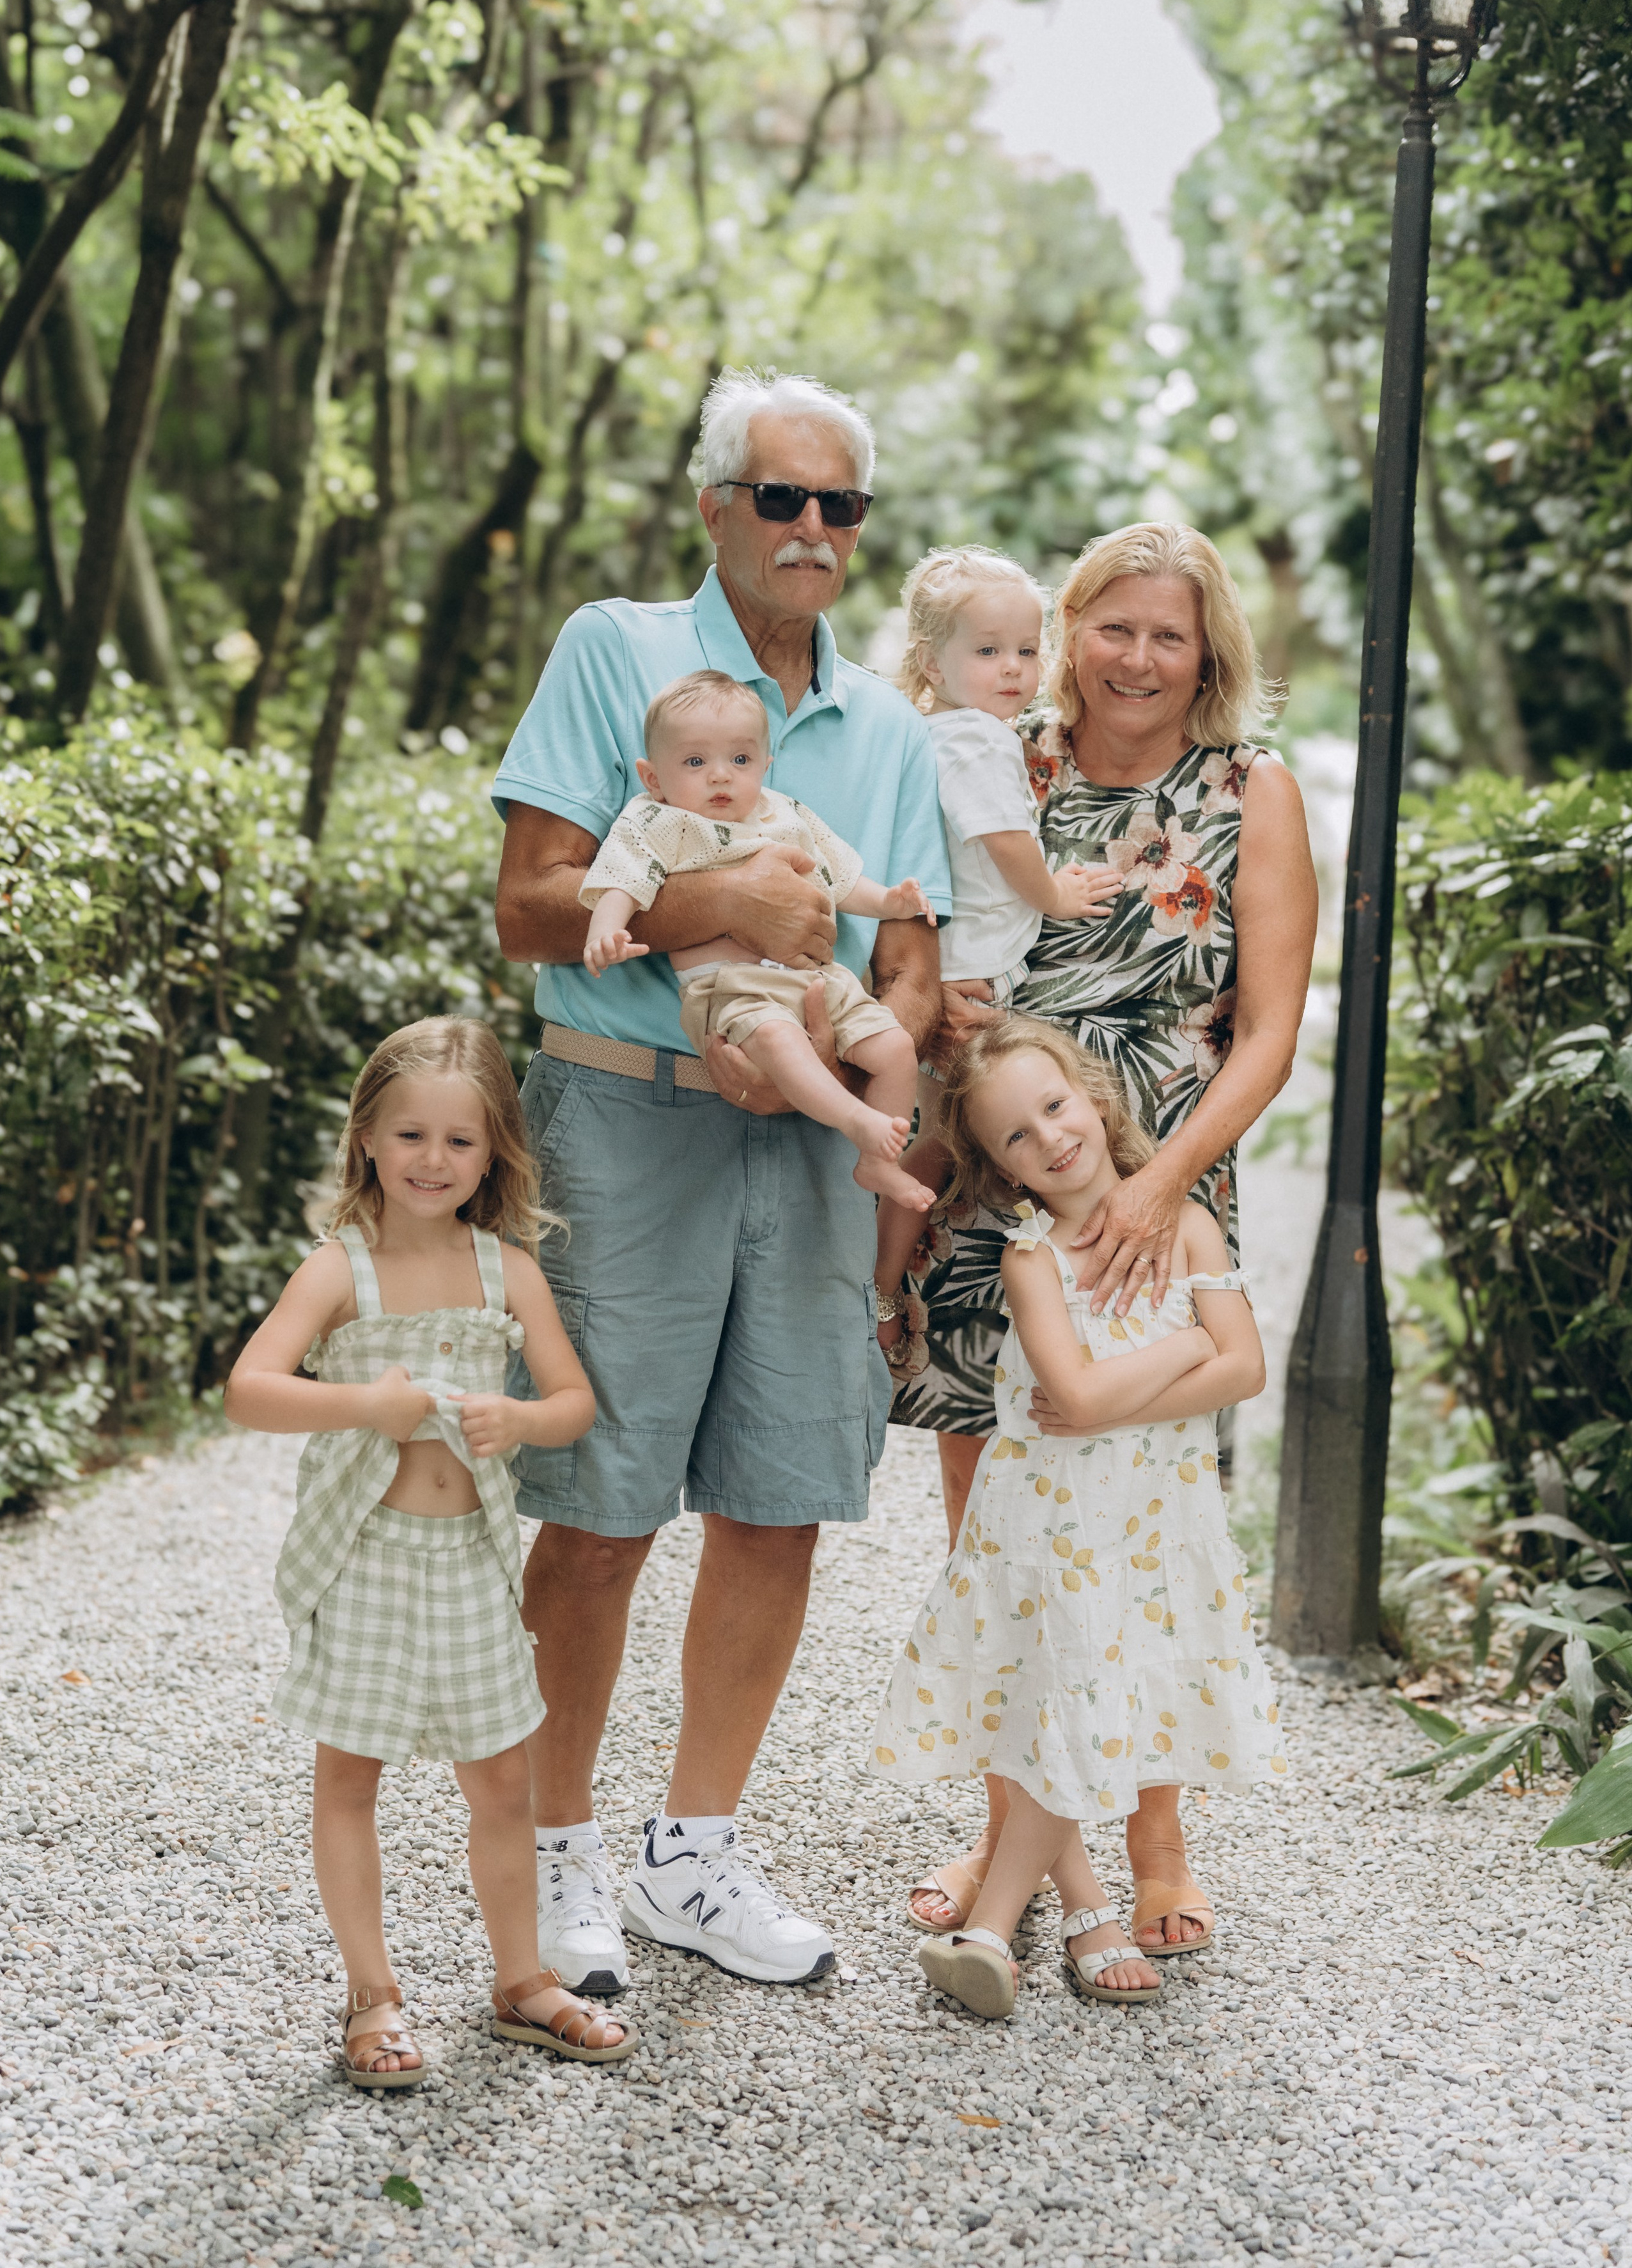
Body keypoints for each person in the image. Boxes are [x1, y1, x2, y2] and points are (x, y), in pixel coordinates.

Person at [491, 367, 951, 1995]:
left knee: (777, 1500)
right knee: (601, 1511)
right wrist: (721, 913)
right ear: (715, 508)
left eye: (841, 506)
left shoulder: (886, 727)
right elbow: (532, 904)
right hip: (627, 1122)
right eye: (781, 497)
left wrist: (851, 1067)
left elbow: (907, 956)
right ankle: (555, 1864)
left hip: (811, 1139)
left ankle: (696, 1850)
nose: (813, 530)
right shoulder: (613, 649)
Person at [881, 520, 1316, 1953]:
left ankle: (1157, 1834)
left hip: (1158, 1189)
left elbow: (1263, 1037)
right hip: (993, 1181)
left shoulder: (1248, 789)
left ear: (1207, 653)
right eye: (1110, 626)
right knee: (1001, 1529)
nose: (1135, 657)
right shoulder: (1001, 759)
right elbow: (912, 938)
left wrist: (1157, 1189)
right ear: (1069, 631)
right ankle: (1012, 1832)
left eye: (1166, 633)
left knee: (1145, 1513)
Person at [225, 1017, 634, 2080]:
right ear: (366, 1136)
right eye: (410, 1135)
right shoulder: (341, 1272)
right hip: (366, 1560)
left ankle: (521, 1980)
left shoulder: (504, 1270)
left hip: (468, 1566)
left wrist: (523, 1425)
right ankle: (374, 1997)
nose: (432, 1161)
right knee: (349, 1778)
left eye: (460, 1142)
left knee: (504, 1785)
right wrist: (368, 1402)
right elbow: (249, 1391)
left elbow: (573, 1401)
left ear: (494, 1152)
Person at [871, 1018, 1283, 2021]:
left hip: (1148, 1530)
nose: (1049, 1139)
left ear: (1094, 1099)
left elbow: (1248, 1369)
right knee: (1055, 1707)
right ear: (1002, 1170)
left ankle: (1046, 1918)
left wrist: (1176, 1362)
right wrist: (1189, 1348)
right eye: (1017, 1136)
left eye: (1055, 1108)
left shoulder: (1188, 1227)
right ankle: (1018, 1924)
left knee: (1072, 1713)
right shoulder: (1032, 1258)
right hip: (1052, 1529)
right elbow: (1084, 1398)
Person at [580, 667, 938, 1212]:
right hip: (732, 989)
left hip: (820, 979)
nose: (721, 777)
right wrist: (607, 928)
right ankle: (855, 1120)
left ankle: (878, 1165)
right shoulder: (660, 821)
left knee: (894, 1049)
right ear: (652, 777)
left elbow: (839, 878)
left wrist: (890, 901)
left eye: (740, 761)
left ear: (766, 765)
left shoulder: (785, 814)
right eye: (696, 762)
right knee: (776, 1038)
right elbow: (625, 877)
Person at [871, 544, 1121, 1307]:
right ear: (932, 663)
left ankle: (885, 1273)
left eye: (1025, 649)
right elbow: (1003, 840)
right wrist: (1055, 895)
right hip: (977, 964)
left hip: (955, 955)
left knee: (946, 1133)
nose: (1013, 669)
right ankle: (883, 1280)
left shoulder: (929, 731)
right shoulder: (978, 739)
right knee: (955, 1138)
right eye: (987, 651)